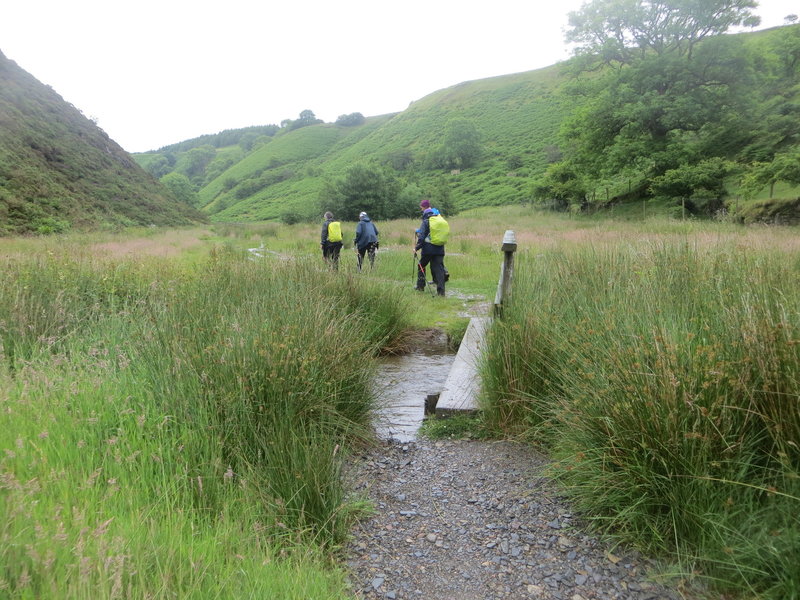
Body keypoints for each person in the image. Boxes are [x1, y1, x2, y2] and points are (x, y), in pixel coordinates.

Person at [414, 198, 446, 296]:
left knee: (421, 265)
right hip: (440, 248)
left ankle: (420, 286)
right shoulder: (439, 218)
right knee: (439, 269)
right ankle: (441, 292)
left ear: (423, 208)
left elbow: (422, 236)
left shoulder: (426, 220)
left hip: (428, 249)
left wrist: (416, 248)